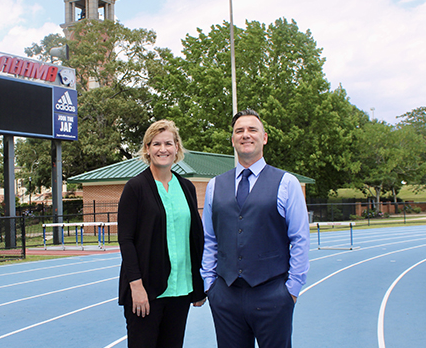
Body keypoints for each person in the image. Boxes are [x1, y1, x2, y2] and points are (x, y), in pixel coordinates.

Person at [201, 109, 310, 348]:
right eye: (239, 131)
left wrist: (291, 291)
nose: (245, 135)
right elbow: (209, 238)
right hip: (226, 296)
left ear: (265, 137)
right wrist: (210, 285)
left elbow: (300, 239)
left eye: (252, 130)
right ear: (232, 140)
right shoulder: (214, 186)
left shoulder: (286, 183)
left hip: (273, 294)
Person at [117, 119, 206, 348]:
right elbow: (126, 240)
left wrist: (198, 285)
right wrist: (136, 287)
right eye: (156, 144)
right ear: (147, 149)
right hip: (147, 292)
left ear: (177, 147)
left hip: (180, 291)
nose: (163, 149)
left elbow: (194, 238)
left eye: (168, 143)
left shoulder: (187, 187)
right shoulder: (135, 188)